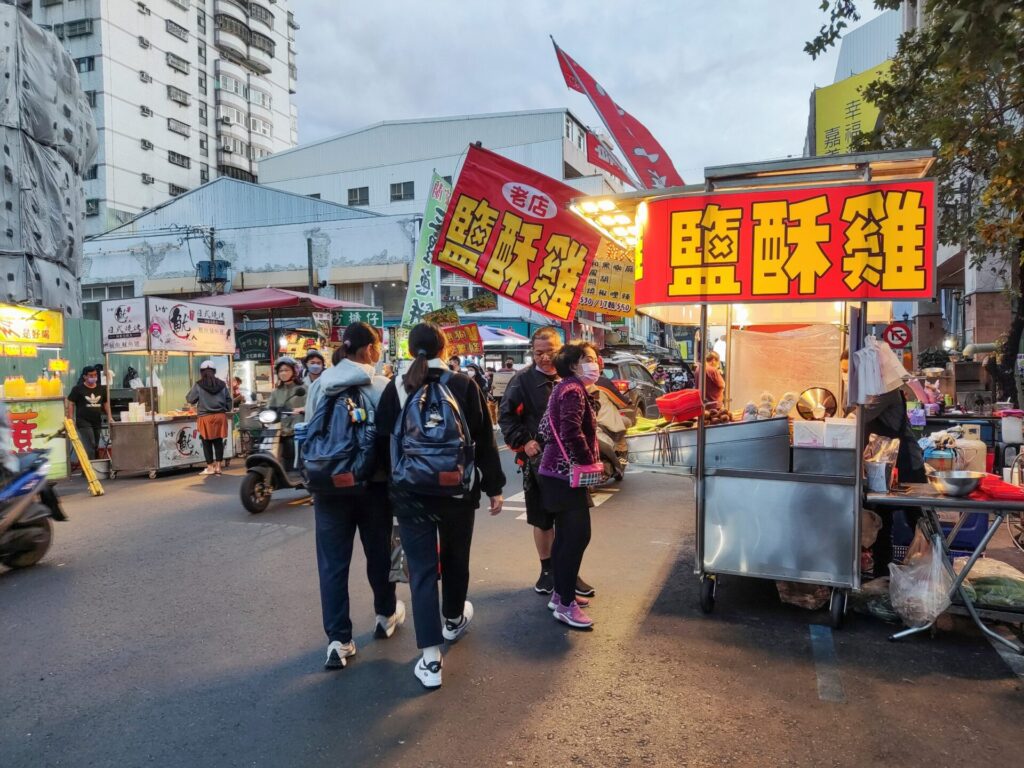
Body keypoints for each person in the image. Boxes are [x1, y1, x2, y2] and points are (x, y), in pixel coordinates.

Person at [375, 322, 505, 689]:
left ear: (410, 349)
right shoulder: (465, 385)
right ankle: (453, 619)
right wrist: (494, 487)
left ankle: (430, 658)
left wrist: (388, 490)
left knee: (421, 569)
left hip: (410, 493)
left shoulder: (397, 388)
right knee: (455, 557)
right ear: (446, 350)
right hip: (457, 492)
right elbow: (483, 441)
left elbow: (382, 442)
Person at [304, 322, 405, 670]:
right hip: (372, 486)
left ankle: (338, 639)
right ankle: (385, 614)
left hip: (328, 487)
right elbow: (395, 437)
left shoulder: (319, 386)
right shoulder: (381, 386)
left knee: (333, 564)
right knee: (379, 553)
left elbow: (309, 434)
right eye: (377, 347)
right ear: (368, 351)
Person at [499, 327, 595, 598]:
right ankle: (548, 570)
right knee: (543, 520)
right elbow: (506, 418)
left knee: (573, 523)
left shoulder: (574, 378)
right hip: (538, 463)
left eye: (549, 352)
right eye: (538, 353)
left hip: (571, 465)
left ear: (561, 348)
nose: (544, 358)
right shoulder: (521, 381)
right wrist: (525, 441)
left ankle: (568, 572)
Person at [536, 341, 603, 629]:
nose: (594, 363)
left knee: (566, 537)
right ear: (574, 365)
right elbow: (571, 430)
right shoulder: (574, 390)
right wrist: (588, 461)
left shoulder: (563, 387)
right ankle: (565, 605)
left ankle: (560, 594)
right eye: (587, 358)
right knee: (576, 536)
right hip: (564, 475)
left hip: (554, 473)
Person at [186, 360, 231, 476]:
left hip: (205, 417)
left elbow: (190, 399)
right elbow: (229, 400)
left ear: (201, 372)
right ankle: (219, 467)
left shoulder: (199, 384)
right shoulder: (222, 384)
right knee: (218, 441)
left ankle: (210, 467)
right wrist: (224, 408)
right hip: (220, 416)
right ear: (214, 371)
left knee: (206, 442)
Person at [267, 357, 306, 471]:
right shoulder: (276, 391)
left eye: (286, 370)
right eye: (281, 371)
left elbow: (312, 405)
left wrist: (301, 409)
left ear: (294, 371)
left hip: (296, 430)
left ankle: (296, 472)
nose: (283, 373)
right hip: (278, 429)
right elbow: (269, 406)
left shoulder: (303, 389)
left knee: (291, 448)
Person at [66, 365, 111, 460]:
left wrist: (110, 417)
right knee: (90, 444)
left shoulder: (101, 389)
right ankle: (90, 470)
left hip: (96, 421)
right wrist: (70, 418)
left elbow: (106, 404)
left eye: (95, 375)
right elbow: (71, 403)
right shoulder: (77, 389)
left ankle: (94, 467)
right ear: (85, 377)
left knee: (95, 446)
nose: (93, 377)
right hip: (83, 421)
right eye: (91, 375)